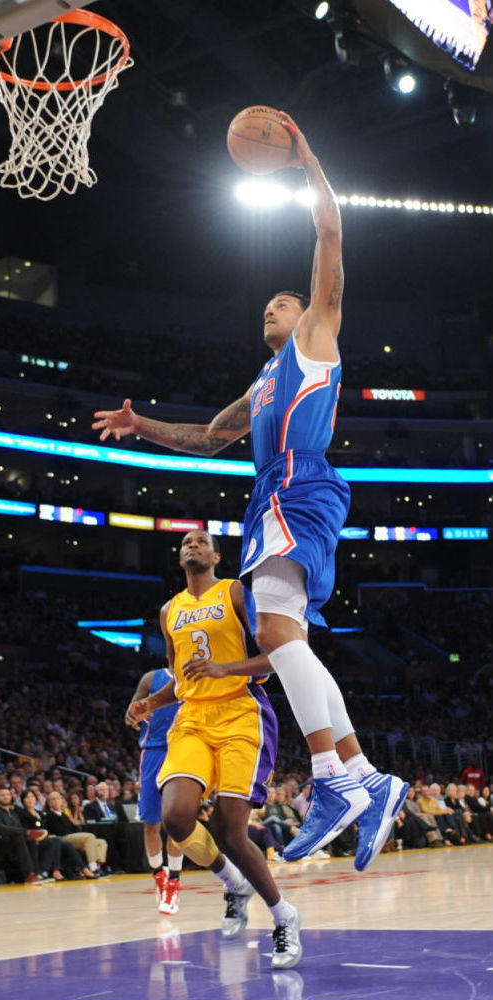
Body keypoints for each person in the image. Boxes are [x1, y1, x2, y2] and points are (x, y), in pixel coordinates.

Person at [94, 112, 407, 872]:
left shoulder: (317, 337)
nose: (272, 306)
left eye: (283, 301)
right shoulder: (264, 379)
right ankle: (366, 777)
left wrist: (307, 163)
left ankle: (334, 778)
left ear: (307, 313)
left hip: (296, 485)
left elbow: (330, 235)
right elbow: (209, 438)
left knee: (273, 638)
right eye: (265, 304)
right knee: (285, 637)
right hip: (274, 494)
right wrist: (142, 426)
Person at [127, 529, 301, 969]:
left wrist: (225, 668)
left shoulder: (236, 593)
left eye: (202, 541)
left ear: (217, 556)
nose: (193, 544)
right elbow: (181, 680)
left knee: (229, 829)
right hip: (192, 720)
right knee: (175, 817)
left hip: (241, 713)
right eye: (186, 542)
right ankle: (232, 881)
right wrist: (151, 701)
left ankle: (284, 915)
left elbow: (281, 655)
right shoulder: (170, 610)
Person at [125, 667, 184, 914]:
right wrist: (131, 715)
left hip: (184, 751)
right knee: (151, 823)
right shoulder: (151, 678)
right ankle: (159, 875)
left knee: (177, 821)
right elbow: (132, 709)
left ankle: (174, 881)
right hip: (153, 752)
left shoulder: (197, 674)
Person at [42, 791, 105, 878]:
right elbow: (57, 830)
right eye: (53, 799)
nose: (56, 801)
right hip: (62, 838)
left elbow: (74, 827)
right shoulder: (48, 815)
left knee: (101, 842)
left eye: (58, 798)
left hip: (72, 836)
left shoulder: (64, 814)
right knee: (90, 836)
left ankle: (98, 865)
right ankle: (92, 867)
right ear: (49, 802)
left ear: (62, 801)